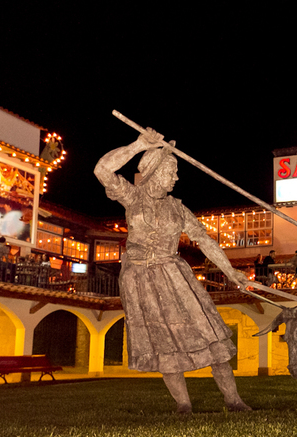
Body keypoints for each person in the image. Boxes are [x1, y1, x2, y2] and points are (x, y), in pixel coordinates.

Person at [94, 128, 251, 414]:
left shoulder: (178, 208)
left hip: (174, 276)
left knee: (209, 335)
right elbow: (102, 169)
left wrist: (231, 272)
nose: (176, 177)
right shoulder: (133, 197)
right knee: (163, 344)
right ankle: (183, 404)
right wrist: (138, 145)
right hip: (139, 279)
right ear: (154, 171)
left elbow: (204, 240)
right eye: (171, 171)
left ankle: (233, 400)